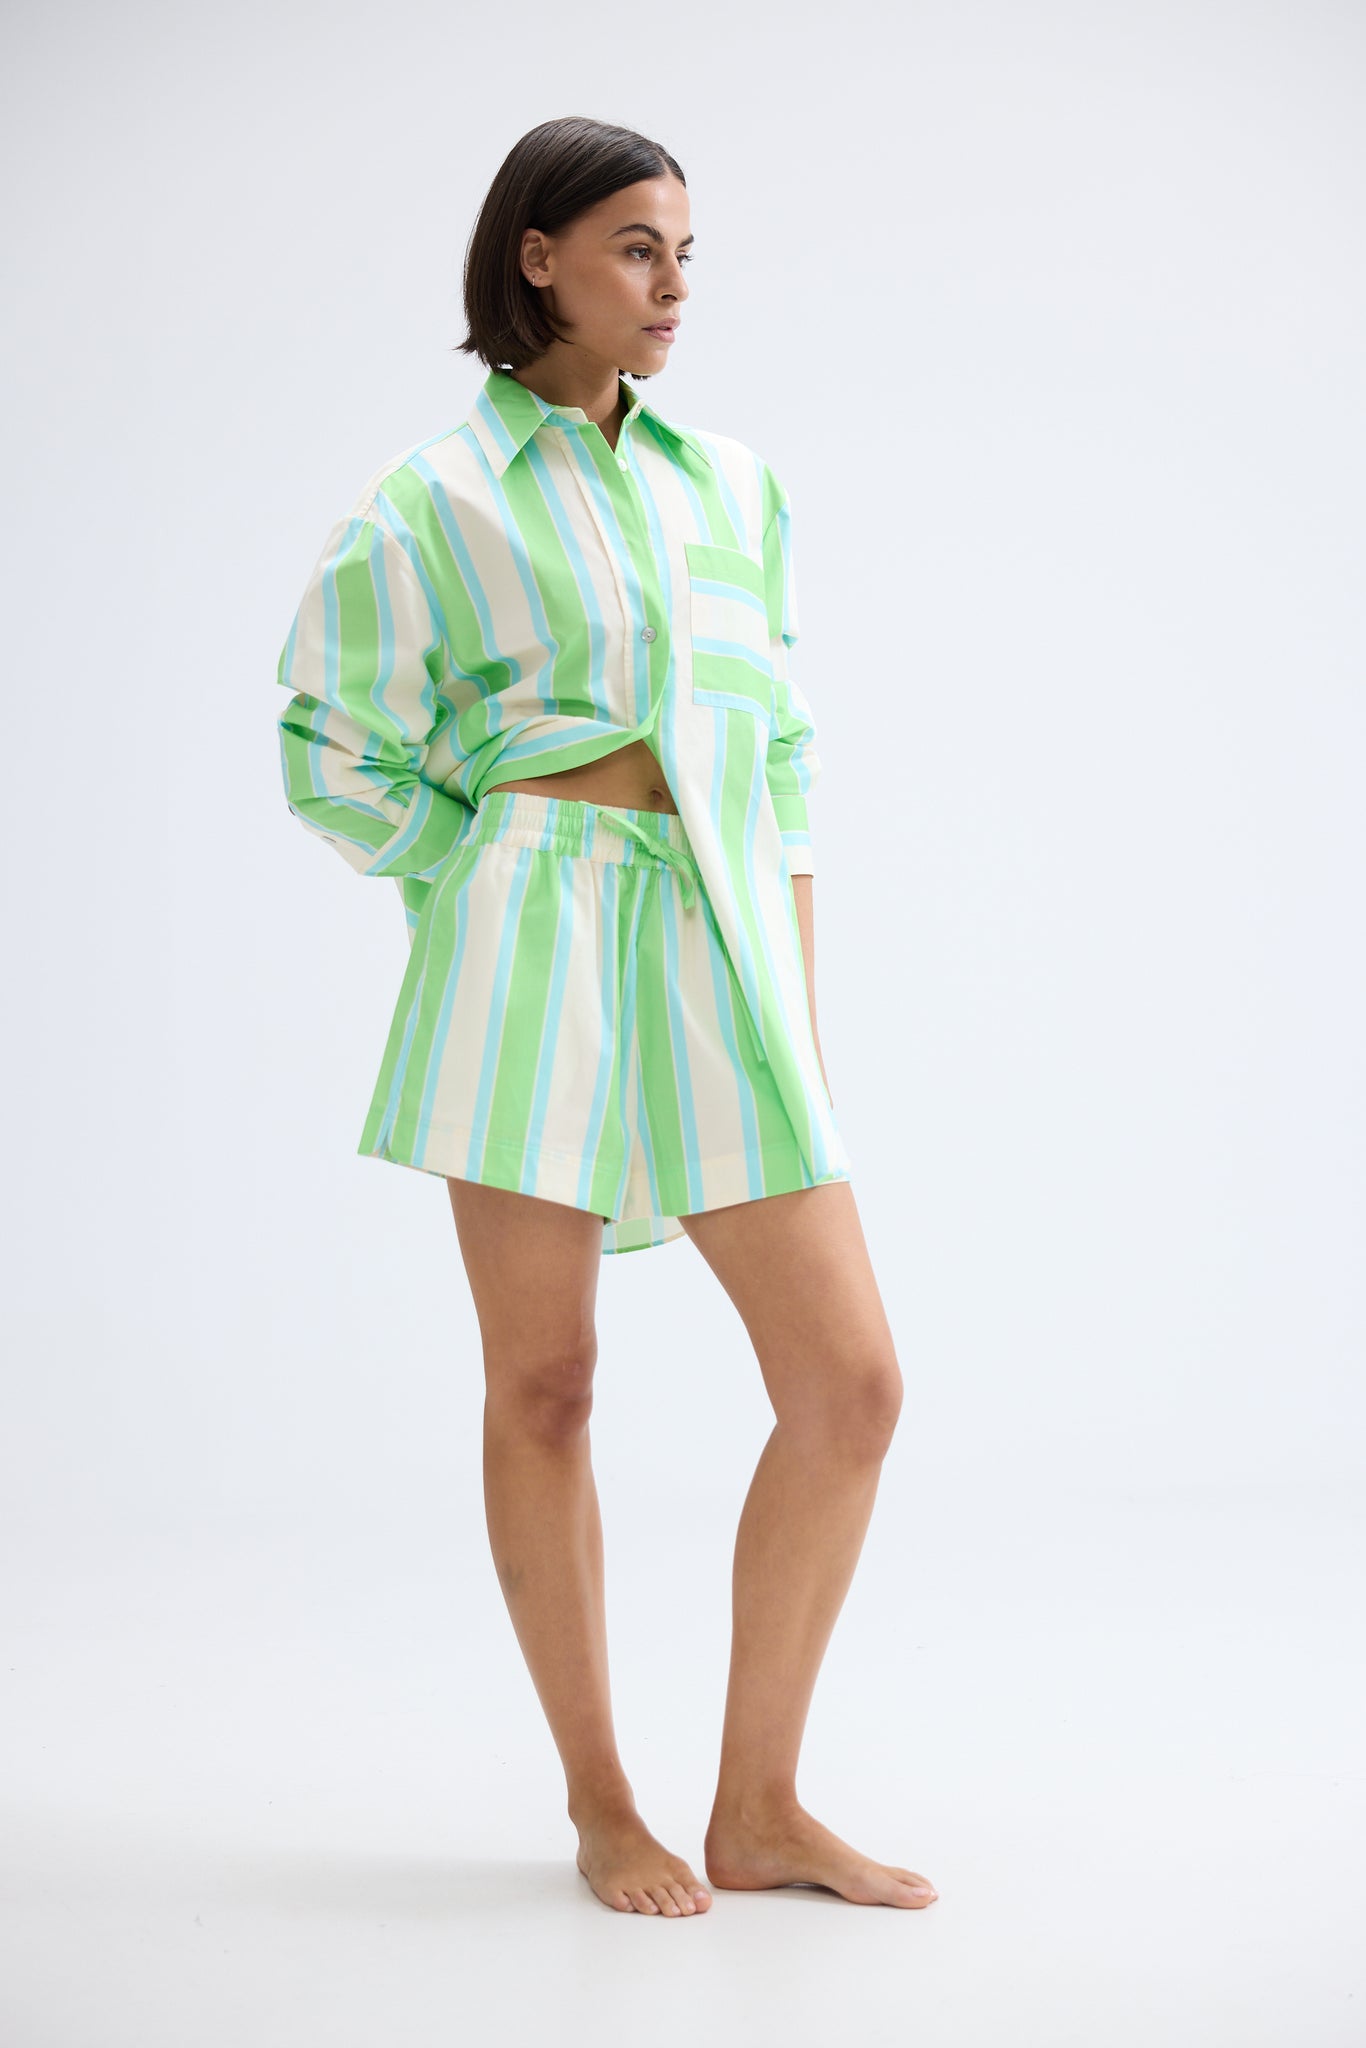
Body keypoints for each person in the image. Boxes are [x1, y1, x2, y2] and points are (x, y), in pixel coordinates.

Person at [274, 115, 936, 1918]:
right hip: (529, 942)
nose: (672, 286)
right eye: (638, 248)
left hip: (718, 936)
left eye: (685, 253)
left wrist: (789, 994)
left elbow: (777, 753)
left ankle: (760, 1806)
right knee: (546, 1381)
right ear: (538, 257)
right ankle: (600, 1803)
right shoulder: (430, 503)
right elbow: (326, 743)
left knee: (851, 1386)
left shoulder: (734, 488)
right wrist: (482, 864)